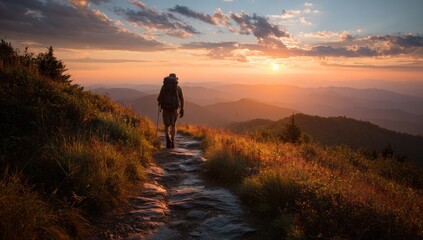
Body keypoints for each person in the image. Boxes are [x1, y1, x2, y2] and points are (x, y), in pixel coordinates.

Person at [157, 73, 184, 149]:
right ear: (176, 80)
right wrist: (182, 109)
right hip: (174, 109)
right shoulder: (178, 88)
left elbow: (159, 98)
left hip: (165, 108)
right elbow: (182, 99)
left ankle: (167, 139)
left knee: (166, 125)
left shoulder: (164, 87)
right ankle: (172, 140)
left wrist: (160, 103)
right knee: (173, 125)